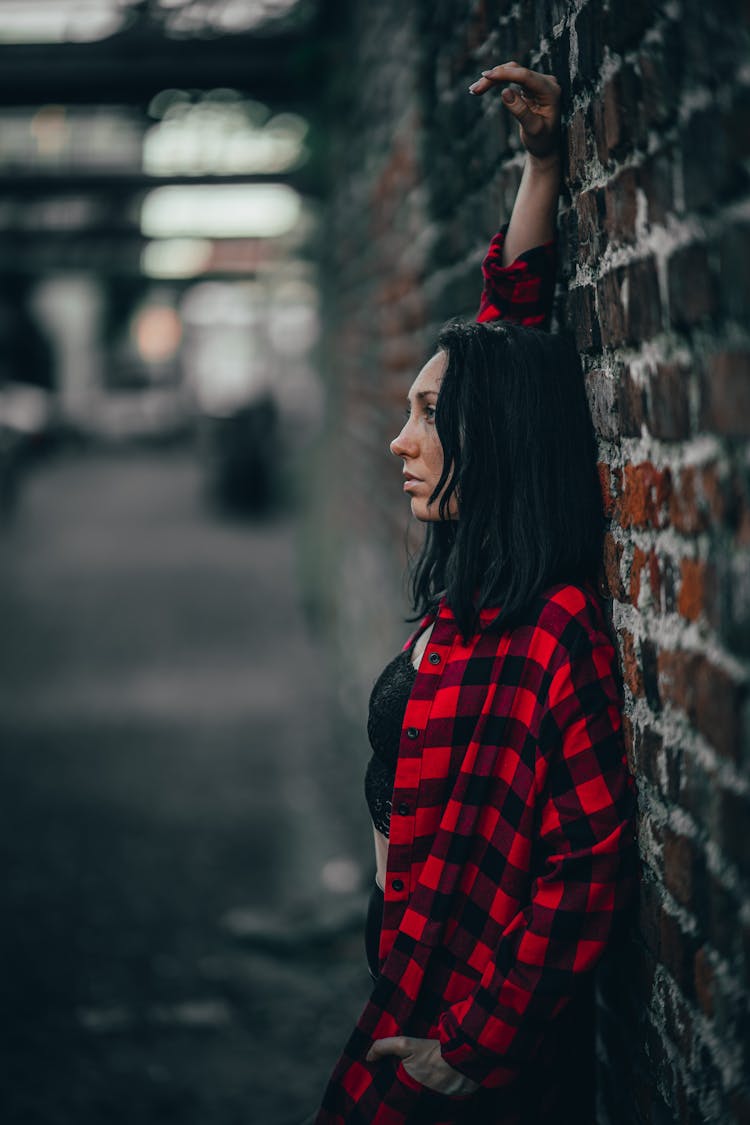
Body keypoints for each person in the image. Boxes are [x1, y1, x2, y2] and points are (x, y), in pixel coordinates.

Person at [314, 62, 637, 1125]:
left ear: (488, 445)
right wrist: (543, 164)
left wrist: (473, 1046)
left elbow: (589, 864)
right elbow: (504, 343)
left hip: (461, 1044)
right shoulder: (471, 600)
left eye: (424, 417)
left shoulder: (549, 636)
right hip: (404, 974)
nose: (402, 441)